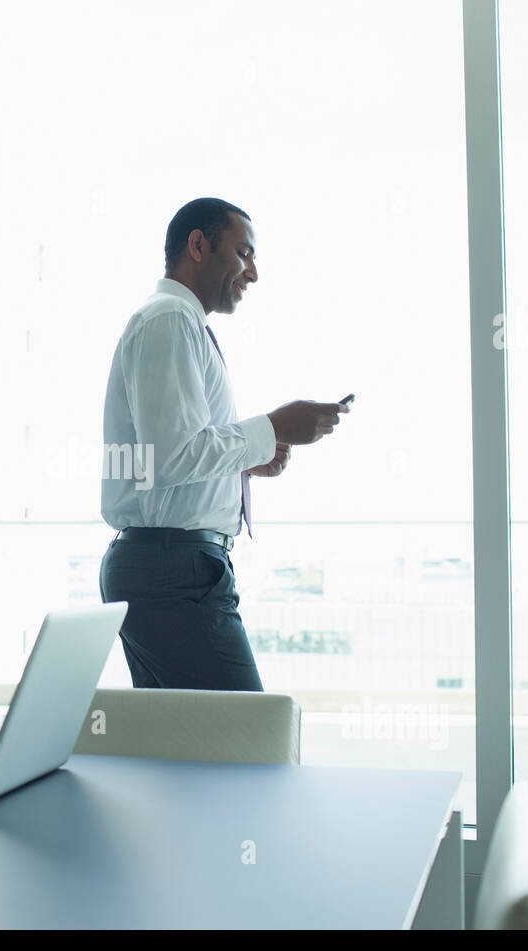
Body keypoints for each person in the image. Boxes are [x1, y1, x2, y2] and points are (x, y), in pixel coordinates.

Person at [99, 196, 349, 690]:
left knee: (188, 752)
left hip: (172, 566)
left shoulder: (178, 322)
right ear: (198, 245)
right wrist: (274, 428)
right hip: (175, 571)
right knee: (248, 742)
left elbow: (164, 459)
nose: (252, 272)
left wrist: (252, 461)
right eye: (244, 253)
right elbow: (173, 455)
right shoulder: (170, 320)